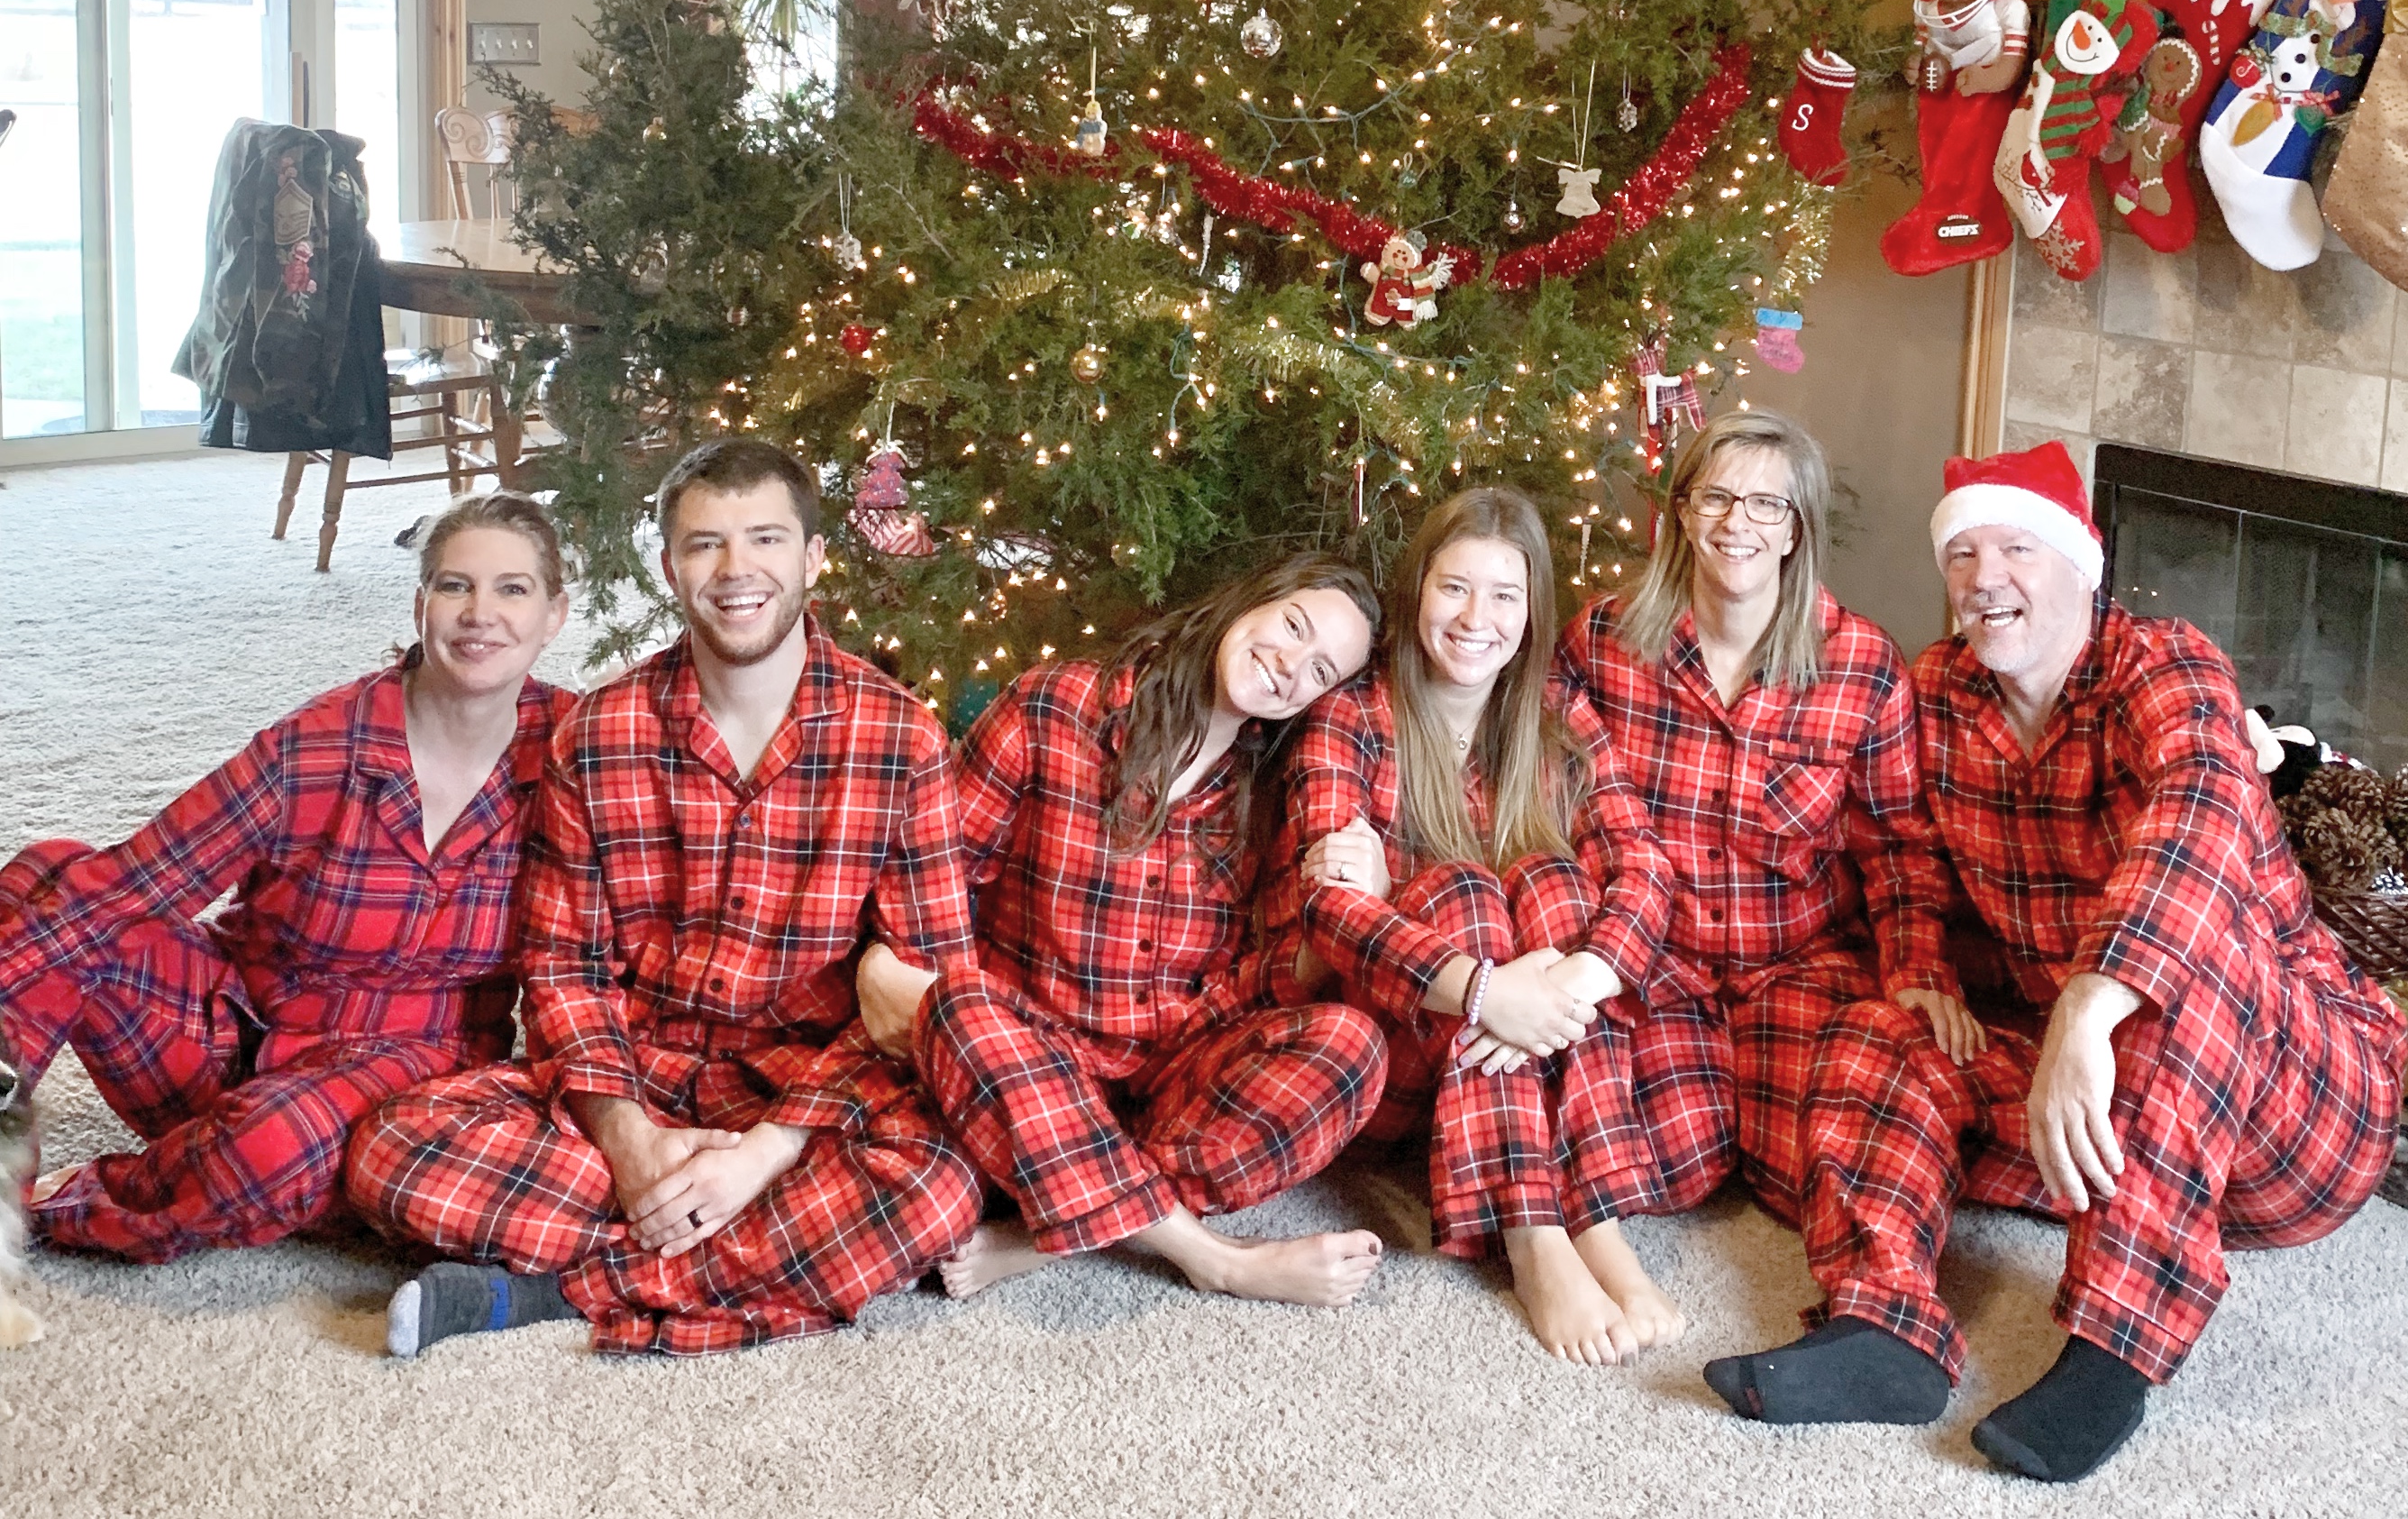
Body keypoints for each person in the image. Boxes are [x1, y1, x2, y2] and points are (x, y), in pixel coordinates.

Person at [1716, 442, 2404, 1482]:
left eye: (2017, 549)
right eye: (1964, 554)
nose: (1986, 578)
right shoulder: (1939, 692)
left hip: (2300, 1108)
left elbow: (2201, 817)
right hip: (2109, 1118)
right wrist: (1921, 972)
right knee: (1878, 1026)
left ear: (2083, 566)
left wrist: (2087, 1009)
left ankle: (2112, 1350)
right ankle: (1883, 1324)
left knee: (2195, 956)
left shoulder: (2166, 665)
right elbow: (1903, 853)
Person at [350, 438, 982, 1357]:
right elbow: (563, 969)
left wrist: (764, 1152)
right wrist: (633, 1143)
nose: (736, 571)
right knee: (391, 1149)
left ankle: (549, 1293)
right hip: (639, 1078)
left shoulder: (902, 739)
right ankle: (740, 1263)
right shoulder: (598, 732)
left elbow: (923, 996)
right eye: (704, 545)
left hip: (804, 1104)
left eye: (765, 539)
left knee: (940, 1183)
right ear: (668, 567)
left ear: (812, 559)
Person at [0, 494, 574, 1261]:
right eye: (453, 586)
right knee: (50, 875)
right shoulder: (316, 743)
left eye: (513, 589)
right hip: (230, 1032)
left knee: (271, 1146)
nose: (480, 614)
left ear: (555, 615)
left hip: (408, 1074)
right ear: (420, 604)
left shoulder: (581, 755)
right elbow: (135, 883)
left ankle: (64, 1210)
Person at [856, 554, 1389, 1308]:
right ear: (1250, 598)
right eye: (1293, 626)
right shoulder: (1058, 705)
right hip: (1027, 1050)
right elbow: (932, 879)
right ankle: (1212, 1259)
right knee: (956, 1005)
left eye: (1322, 671)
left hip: (1165, 1069)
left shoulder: (1269, 788)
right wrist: (925, 997)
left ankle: (1050, 1226)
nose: (1290, 665)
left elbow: (1258, 980)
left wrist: (1371, 890)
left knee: (1351, 1047)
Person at [1556, 408, 1962, 1381]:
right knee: (1671, 1166)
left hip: (1799, 969)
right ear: (1685, 512)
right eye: (1719, 496)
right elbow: (1548, 797)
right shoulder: (1605, 641)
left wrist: (1915, 973)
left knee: (1862, 1117)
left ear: (1796, 527)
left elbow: (1902, 849)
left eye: (1767, 503)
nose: (1741, 521)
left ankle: (1885, 1328)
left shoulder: (1861, 663)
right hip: (1660, 973)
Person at [1283, 488, 1687, 1364]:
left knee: (1553, 879)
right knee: (1466, 889)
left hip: (1531, 1047)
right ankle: (1534, 1233)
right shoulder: (1356, 714)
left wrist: (1571, 979)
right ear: (1418, 592)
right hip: (1403, 1050)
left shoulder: (1555, 719)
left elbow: (1645, 866)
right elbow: (1329, 907)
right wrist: (1489, 989)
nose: (1477, 617)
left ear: (1534, 607)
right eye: (1455, 588)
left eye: (1505, 594)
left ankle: (1597, 1213)